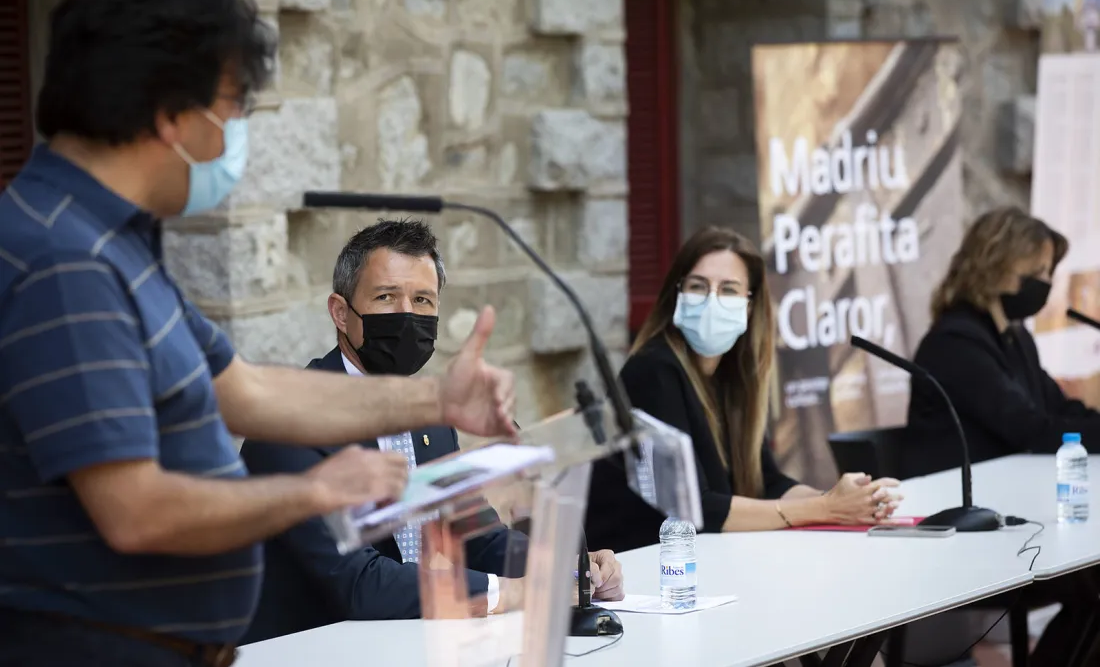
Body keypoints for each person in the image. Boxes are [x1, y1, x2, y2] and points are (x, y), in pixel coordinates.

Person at [0, 0, 515, 667]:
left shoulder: (111, 244)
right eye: (234, 105)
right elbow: (135, 510)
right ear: (169, 112)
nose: (238, 131)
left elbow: (249, 390)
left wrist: (434, 397)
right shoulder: (67, 261)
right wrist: (307, 493)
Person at [240, 219, 625, 643]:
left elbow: (475, 535)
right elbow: (357, 583)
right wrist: (508, 593)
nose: (408, 315)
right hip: (302, 649)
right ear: (340, 312)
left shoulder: (431, 414)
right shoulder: (289, 422)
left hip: (401, 643)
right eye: (386, 297)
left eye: (423, 299)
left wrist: (569, 568)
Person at [584, 227, 900, 553]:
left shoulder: (732, 378)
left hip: (702, 564)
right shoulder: (652, 370)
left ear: (749, 306)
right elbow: (696, 511)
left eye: (729, 290)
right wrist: (825, 509)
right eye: (698, 286)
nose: (711, 300)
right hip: (638, 572)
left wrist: (844, 500)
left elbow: (767, 482)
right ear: (676, 295)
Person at [903, 206, 1100, 479]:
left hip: (1003, 491)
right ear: (993, 266)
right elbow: (1030, 431)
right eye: (1037, 271)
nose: (1046, 283)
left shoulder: (1016, 338)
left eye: (1048, 272)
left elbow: (1059, 409)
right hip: (953, 503)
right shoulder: (954, 345)